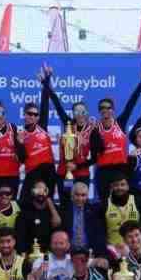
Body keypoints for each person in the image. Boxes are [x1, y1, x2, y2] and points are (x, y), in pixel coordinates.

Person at [90, 66, 141, 201]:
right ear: (99, 111)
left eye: (108, 107)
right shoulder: (95, 128)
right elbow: (93, 153)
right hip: (103, 171)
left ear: (113, 110)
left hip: (121, 169)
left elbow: (132, 102)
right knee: (105, 205)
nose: (105, 110)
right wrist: (93, 132)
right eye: (102, 108)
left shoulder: (120, 123)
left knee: (123, 203)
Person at [45, 78, 94, 207]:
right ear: (73, 114)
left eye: (82, 111)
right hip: (63, 173)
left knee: (82, 206)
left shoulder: (93, 130)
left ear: (87, 113)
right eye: (76, 112)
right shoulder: (68, 124)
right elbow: (57, 104)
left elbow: (95, 158)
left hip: (82, 174)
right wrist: (46, 82)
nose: (80, 114)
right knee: (65, 205)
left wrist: (78, 166)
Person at [17, 70, 55, 204]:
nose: (33, 116)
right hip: (32, 173)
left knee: (47, 202)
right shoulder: (20, 134)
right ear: (24, 115)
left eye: (35, 114)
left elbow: (45, 102)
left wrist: (47, 80)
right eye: (30, 113)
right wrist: (20, 143)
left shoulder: (42, 126)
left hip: (48, 171)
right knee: (24, 202)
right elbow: (21, 159)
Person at [100, 173, 141, 254]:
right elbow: (101, 230)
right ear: (111, 187)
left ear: (128, 186)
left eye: (122, 184)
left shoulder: (137, 201)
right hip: (113, 248)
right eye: (116, 185)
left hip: (134, 246)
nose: (119, 187)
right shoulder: (105, 204)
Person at [60, 182, 105, 257]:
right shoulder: (64, 211)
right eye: (77, 195)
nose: (80, 198)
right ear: (72, 195)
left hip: (89, 252)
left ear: (87, 196)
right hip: (68, 253)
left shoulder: (94, 211)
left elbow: (99, 235)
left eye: (83, 195)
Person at [16, 179, 62, 253]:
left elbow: (58, 227)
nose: (41, 192)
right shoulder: (25, 211)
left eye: (44, 190)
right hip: (30, 252)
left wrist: (50, 204)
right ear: (32, 191)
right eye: (38, 189)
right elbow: (20, 237)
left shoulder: (55, 210)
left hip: (50, 253)